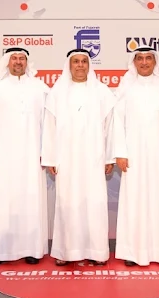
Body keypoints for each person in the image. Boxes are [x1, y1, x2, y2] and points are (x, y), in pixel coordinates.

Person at [41, 49, 116, 266]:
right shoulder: (57, 93)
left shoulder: (102, 92)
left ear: (89, 65)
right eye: (76, 62)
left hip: (94, 158)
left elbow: (111, 126)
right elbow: (50, 127)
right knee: (68, 203)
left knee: (94, 203)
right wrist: (51, 158)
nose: (80, 65)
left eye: (84, 61)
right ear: (69, 65)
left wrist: (109, 157)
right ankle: (66, 252)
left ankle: (97, 251)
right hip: (67, 159)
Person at [113, 47, 159, 267]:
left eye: (148, 58)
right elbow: (118, 123)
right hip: (133, 156)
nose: (144, 62)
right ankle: (133, 253)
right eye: (140, 58)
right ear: (134, 62)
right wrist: (120, 153)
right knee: (134, 201)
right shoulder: (126, 88)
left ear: (155, 62)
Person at [0, 47, 50, 266]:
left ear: (27, 63)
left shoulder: (40, 88)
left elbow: (48, 124)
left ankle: (32, 249)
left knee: (30, 200)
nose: (18, 62)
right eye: (14, 58)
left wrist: (46, 151)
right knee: (3, 201)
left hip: (32, 155)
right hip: (3, 156)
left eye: (22, 58)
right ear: (7, 62)